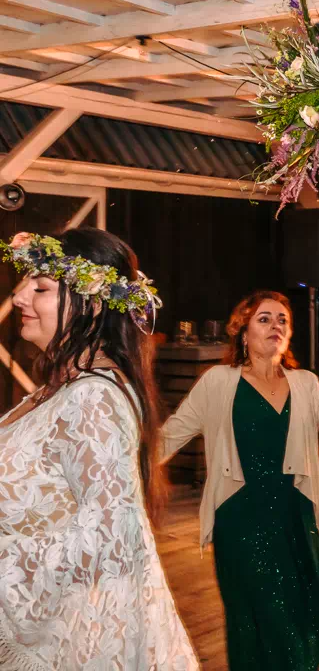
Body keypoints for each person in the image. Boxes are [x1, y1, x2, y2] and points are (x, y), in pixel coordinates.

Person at [162, 291, 319, 671]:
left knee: (298, 617)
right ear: (243, 332)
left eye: (282, 320)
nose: (276, 326)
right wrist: (120, 469)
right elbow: (172, 434)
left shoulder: (306, 384)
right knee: (259, 618)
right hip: (240, 520)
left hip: (295, 517)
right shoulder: (218, 382)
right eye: (265, 319)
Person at [0, 229, 200, 670]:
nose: (18, 297)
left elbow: (111, 541)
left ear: (90, 304)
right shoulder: (60, 391)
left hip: (68, 646)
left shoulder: (93, 399)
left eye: (40, 288)